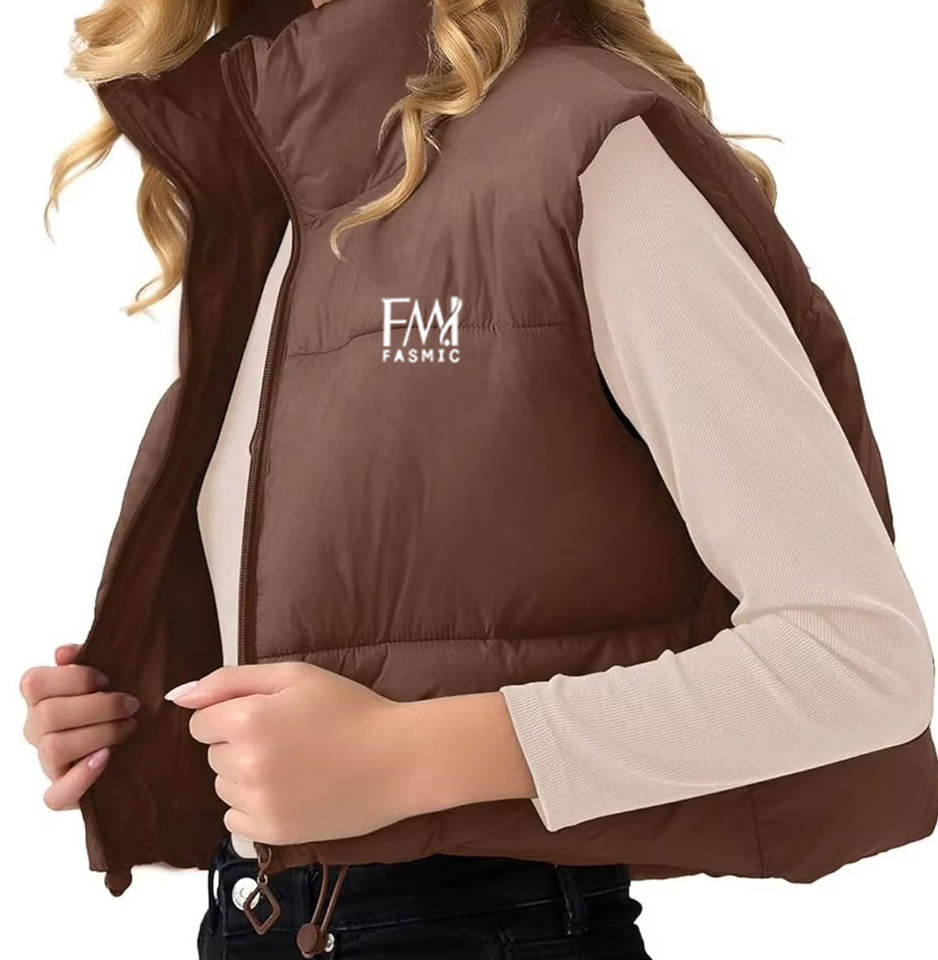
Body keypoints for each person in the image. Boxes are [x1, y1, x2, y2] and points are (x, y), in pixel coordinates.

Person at [20, 0, 937, 957]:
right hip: (260, 919)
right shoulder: (289, 191)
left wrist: (405, 754)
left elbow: (857, 658)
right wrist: (154, 724)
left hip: (484, 925)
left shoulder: (589, 146)